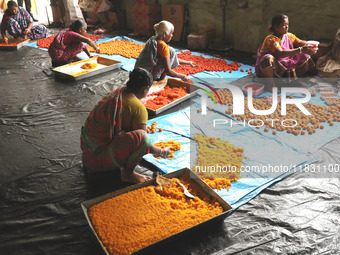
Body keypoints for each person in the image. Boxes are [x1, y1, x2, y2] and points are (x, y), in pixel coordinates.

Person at [80, 68, 171, 184]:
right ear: (145, 89)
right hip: (98, 161)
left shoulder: (115, 94)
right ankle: (128, 174)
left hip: (87, 154)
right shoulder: (138, 108)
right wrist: (162, 151)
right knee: (143, 137)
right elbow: (143, 143)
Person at [255, 14, 316, 89]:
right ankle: (270, 84)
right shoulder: (271, 39)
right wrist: (300, 50)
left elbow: (300, 42)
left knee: (305, 55)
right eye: (284, 25)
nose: (287, 27)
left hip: (284, 64)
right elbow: (280, 53)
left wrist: (310, 45)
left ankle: (293, 80)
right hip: (272, 67)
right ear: (276, 27)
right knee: (268, 58)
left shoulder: (289, 36)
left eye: (287, 24)